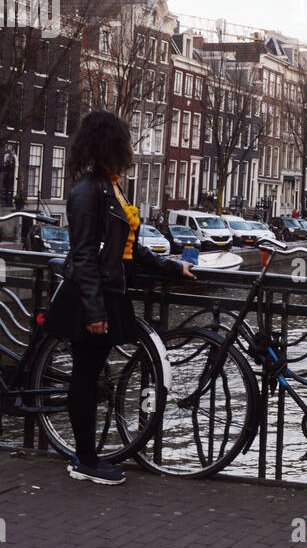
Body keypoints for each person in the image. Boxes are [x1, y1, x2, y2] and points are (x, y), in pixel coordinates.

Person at [43, 110, 195, 485]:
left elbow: (127, 249)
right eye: (124, 140)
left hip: (109, 293)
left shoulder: (111, 187)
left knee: (90, 373)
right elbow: (84, 256)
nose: (130, 147)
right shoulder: (86, 192)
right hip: (90, 298)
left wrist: (173, 267)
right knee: (84, 375)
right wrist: (94, 310)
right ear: (110, 144)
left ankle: (87, 456)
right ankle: (85, 461)